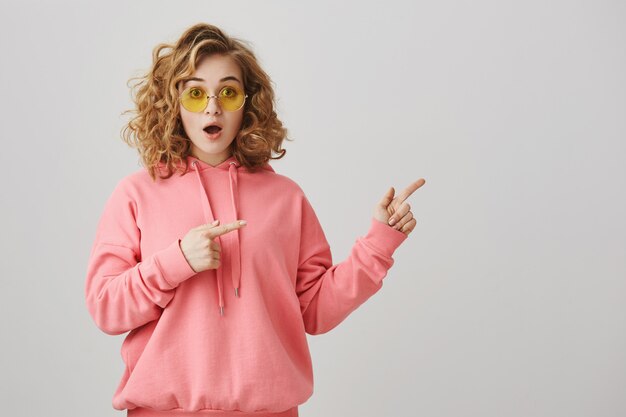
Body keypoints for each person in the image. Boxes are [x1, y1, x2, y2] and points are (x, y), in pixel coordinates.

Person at [84, 23, 425, 417]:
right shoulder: (136, 194)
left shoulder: (286, 197)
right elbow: (105, 307)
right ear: (172, 102)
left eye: (227, 92)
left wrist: (378, 244)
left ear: (247, 103)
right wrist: (176, 262)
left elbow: (314, 309)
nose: (212, 107)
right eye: (196, 93)